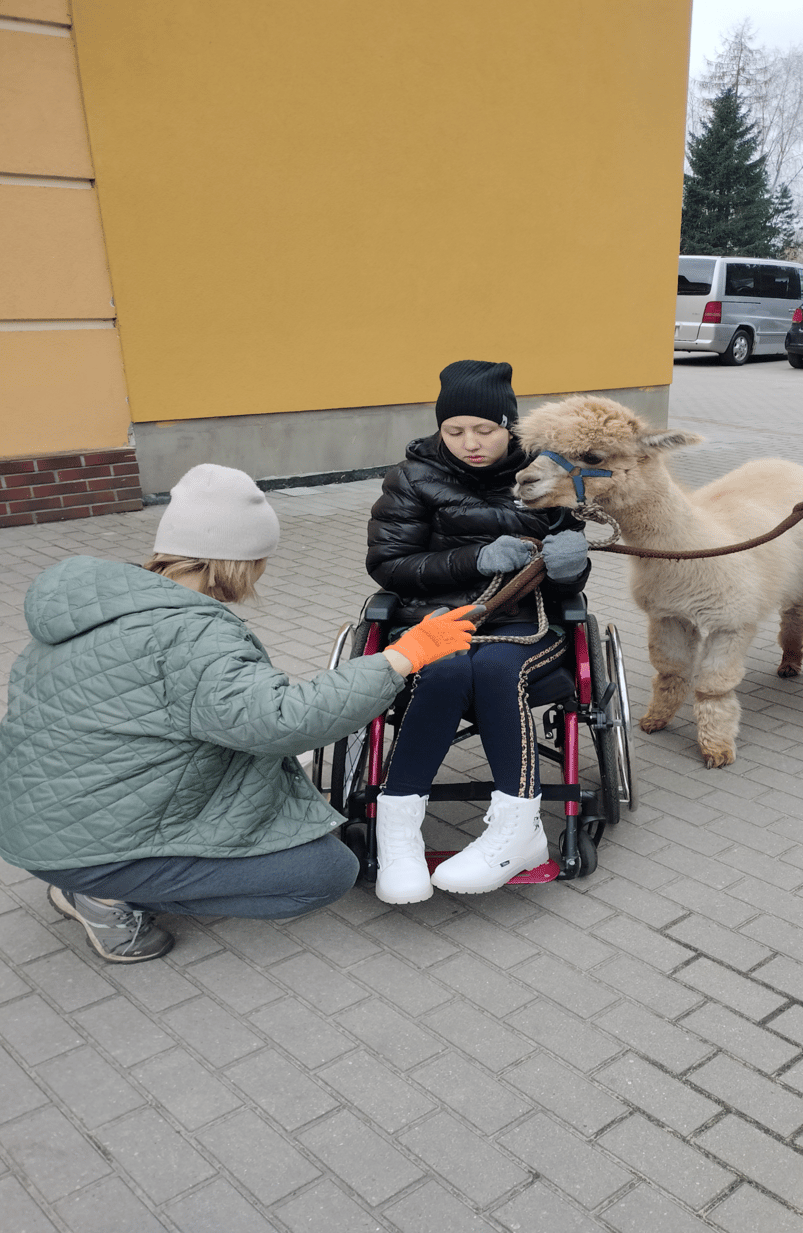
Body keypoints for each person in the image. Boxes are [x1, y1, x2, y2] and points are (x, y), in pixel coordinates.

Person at [0, 464, 477, 963]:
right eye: (261, 560)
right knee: (324, 874)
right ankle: (103, 898)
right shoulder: (190, 634)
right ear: (239, 561)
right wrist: (401, 657)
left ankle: (102, 879)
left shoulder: (107, 607)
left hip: (45, 824)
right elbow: (282, 721)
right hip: (91, 849)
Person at [366, 359, 590, 902]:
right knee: (444, 669)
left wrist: (570, 566)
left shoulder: (548, 475)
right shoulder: (411, 478)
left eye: (485, 430)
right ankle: (398, 837)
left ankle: (520, 831)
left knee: (493, 667)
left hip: (525, 622)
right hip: (433, 619)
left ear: (510, 426)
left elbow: (571, 575)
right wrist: (475, 559)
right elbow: (389, 565)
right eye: (454, 430)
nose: (470, 442)